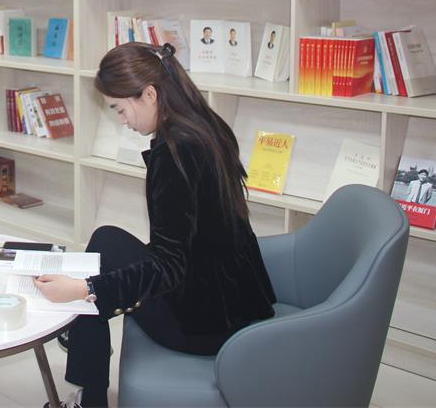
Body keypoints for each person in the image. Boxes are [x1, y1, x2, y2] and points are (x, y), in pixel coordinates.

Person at [34, 42, 276, 408]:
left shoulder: (175, 154)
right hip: (237, 298)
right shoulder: (205, 125)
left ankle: (89, 379)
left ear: (149, 94)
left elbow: (168, 267)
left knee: (93, 280)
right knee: (106, 241)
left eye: (120, 109)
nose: (121, 120)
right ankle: (87, 367)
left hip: (206, 325)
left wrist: (84, 289)